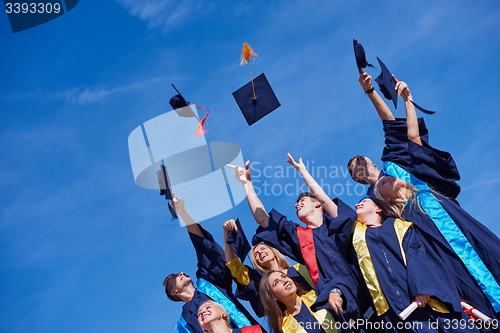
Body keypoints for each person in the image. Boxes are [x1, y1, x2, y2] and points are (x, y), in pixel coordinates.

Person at [370, 79, 500, 319]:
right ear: (384, 202)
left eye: (386, 177)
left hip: (477, 244)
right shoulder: (406, 223)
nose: (384, 179)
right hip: (456, 271)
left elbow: (412, 138)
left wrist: (408, 100)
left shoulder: (425, 186)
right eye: (379, 184)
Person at [226, 155, 371, 322]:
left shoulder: (336, 224)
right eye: (297, 203)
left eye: (302, 200)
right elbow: (263, 220)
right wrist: (247, 184)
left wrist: (303, 172)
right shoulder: (300, 237)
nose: (296, 205)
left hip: (370, 289)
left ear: (317, 204)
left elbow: (323, 198)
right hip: (340, 310)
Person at [318, 196, 481, 333]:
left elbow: (418, 257)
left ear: (378, 208)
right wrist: (304, 172)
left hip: (428, 302)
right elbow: (330, 206)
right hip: (394, 313)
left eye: (364, 201)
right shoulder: (357, 238)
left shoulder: (401, 227)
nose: (356, 204)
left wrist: (422, 289)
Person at [163, 194, 259, 333]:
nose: (181, 273)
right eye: (175, 277)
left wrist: (182, 212)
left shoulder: (209, 284)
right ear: (174, 291)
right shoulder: (183, 324)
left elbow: (204, 247)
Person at [223, 219, 314, 316]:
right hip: (293, 325)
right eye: (256, 254)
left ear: (273, 252)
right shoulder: (258, 281)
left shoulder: (299, 268)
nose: (260, 252)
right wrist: (226, 232)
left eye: (263, 249)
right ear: (257, 262)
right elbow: (232, 264)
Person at [259, 270, 337, 333]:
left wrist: (335, 291)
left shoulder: (316, 295)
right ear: (273, 297)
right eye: (276, 282)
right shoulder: (284, 328)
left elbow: (339, 281)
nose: (284, 281)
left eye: (283, 276)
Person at [197, 301, 264, 333]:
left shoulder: (253, 331)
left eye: (208, 307)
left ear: (222, 313)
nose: (202, 312)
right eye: (199, 314)